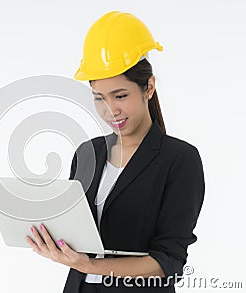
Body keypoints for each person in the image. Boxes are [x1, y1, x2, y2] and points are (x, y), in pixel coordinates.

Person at [25, 11, 205, 293]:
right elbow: (77, 235)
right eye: (99, 98)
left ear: (149, 87)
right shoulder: (88, 153)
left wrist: (90, 266)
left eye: (120, 96)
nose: (111, 110)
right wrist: (51, 239)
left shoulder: (179, 160)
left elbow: (168, 262)